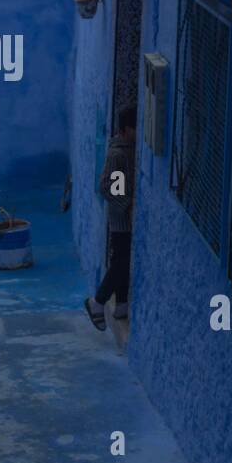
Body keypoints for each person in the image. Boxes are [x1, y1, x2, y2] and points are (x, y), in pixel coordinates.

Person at [85, 104, 138, 328]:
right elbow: (107, 187)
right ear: (126, 129)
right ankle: (97, 302)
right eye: (136, 128)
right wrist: (127, 206)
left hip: (123, 220)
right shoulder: (118, 154)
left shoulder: (126, 150)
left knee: (121, 262)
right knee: (121, 263)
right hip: (121, 222)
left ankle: (122, 304)